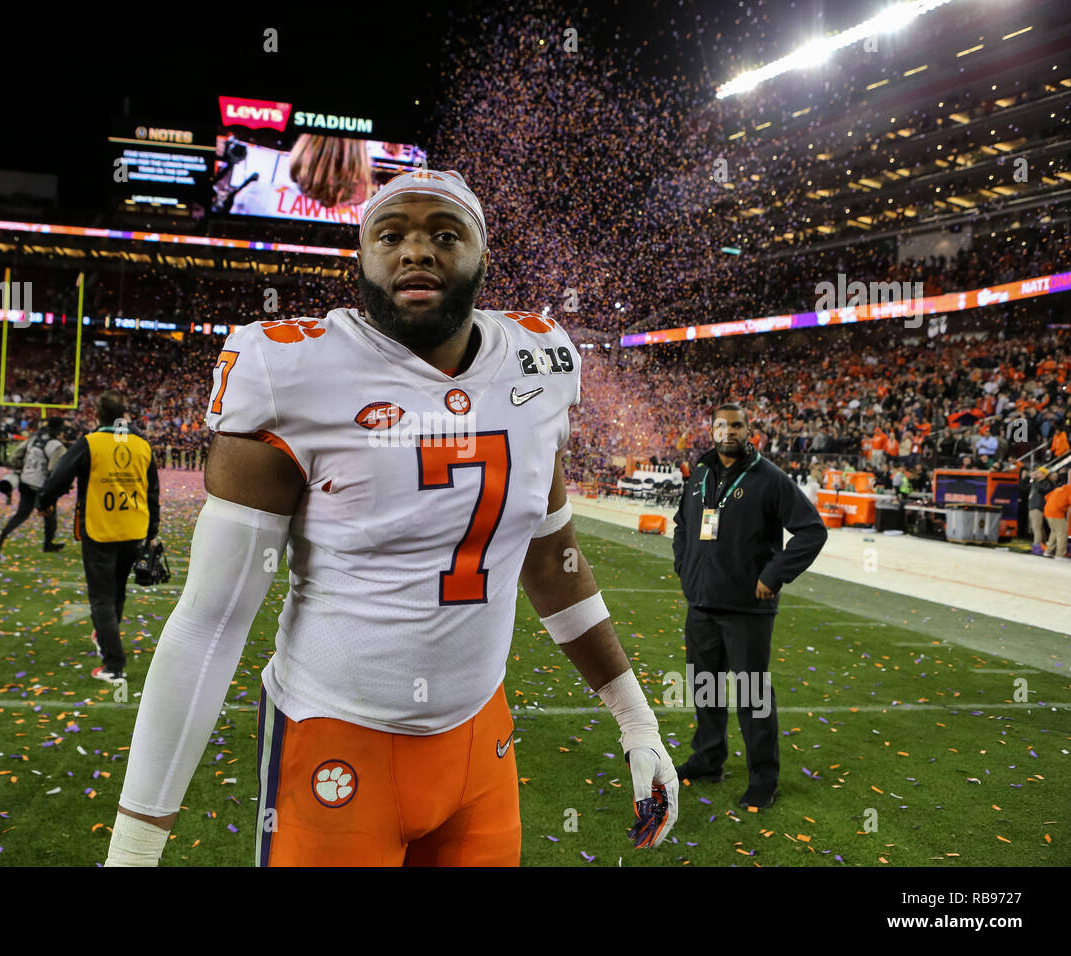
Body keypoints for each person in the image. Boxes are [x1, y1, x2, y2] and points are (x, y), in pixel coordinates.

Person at [102, 169, 679, 868]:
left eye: (445, 234)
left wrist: (636, 720)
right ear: (361, 258)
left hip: (480, 748)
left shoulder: (537, 361)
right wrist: (134, 849)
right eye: (392, 234)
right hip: (334, 740)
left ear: (483, 257)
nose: (417, 251)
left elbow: (554, 563)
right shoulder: (291, 370)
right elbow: (211, 622)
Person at [671, 402, 828, 811]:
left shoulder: (769, 478)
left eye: (736, 425)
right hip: (701, 603)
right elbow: (683, 525)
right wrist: (685, 567)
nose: (728, 432)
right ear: (711, 430)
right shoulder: (700, 473)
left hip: (746, 610)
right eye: (721, 425)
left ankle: (763, 777)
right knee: (705, 689)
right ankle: (708, 759)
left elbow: (812, 530)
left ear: (749, 430)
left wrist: (774, 575)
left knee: (752, 695)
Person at [37, 394, 159, 683]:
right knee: (116, 591)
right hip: (134, 529)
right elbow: (152, 491)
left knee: (101, 597)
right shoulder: (142, 445)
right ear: (124, 415)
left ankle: (113, 664)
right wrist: (152, 531)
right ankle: (106, 636)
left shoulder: (90, 443)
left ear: (97, 415)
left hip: (100, 528)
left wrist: (44, 501)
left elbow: (59, 476)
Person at [0, 417, 68, 558]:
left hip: (25, 481)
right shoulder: (57, 446)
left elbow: (16, 456)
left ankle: (2, 536)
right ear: (59, 431)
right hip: (41, 486)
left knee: (22, 514)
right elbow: (54, 470)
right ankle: (48, 544)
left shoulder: (33, 440)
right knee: (50, 514)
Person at [1042, 471, 1069, 559]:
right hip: (1057, 514)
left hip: (1047, 512)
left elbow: (1046, 497)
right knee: (1062, 534)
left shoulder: (1058, 489)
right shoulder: (1070, 491)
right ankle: (1060, 555)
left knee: (1054, 532)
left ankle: (1048, 552)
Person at [1027, 467, 1050, 554]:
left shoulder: (1045, 483)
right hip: (1032, 507)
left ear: (1044, 474)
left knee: (1036, 528)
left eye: (1039, 473)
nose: (1036, 474)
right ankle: (1042, 545)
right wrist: (1031, 479)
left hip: (1038, 507)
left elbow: (1044, 490)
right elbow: (1026, 487)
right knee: (1038, 528)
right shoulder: (1035, 483)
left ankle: (1036, 547)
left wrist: (1034, 480)